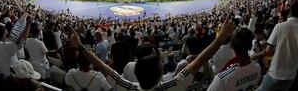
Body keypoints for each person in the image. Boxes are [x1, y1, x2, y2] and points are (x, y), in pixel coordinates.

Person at [69, 15, 234, 91]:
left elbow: (103, 67)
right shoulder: (173, 85)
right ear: (160, 75)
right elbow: (198, 62)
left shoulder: (127, 87)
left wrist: (81, 47)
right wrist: (219, 40)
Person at [256, 1, 298, 91]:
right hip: (291, 76)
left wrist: (254, 56)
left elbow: (267, 51)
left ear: (290, 13)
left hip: (275, 73)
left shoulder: (279, 26)